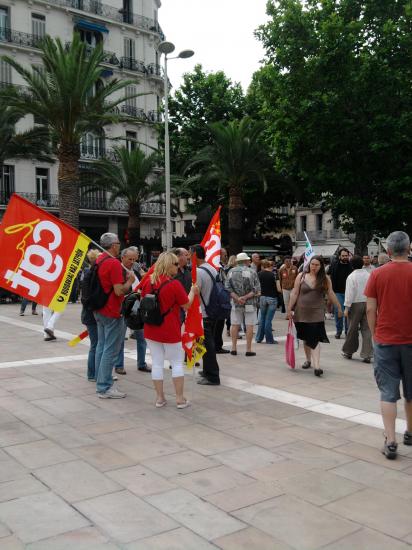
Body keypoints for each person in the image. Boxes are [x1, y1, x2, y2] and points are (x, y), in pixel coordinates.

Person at [365, 231, 412, 459]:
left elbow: (370, 309)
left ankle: (391, 441)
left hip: (386, 340)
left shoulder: (377, 274)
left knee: (388, 393)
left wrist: (375, 335)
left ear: (388, 251)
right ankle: (410, 432)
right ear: (409, 248)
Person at [140, 251, 198, 407]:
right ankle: (179, 399)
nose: (178, 267)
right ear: (168, 265)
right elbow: (186, 305)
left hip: (151, 329)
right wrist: (192, 292)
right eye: (176, 264)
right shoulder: (174, 284)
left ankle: (160, 398)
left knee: (157, 363)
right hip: (169, 329)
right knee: (177, 362)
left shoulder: (148, 283)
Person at [95, 233, 135, 399]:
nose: (120, 245)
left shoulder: (100, 259)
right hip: (112, 310)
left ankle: (100, 379)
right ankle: (104, 387)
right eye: (118, 243)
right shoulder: (112, 263)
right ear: (113, 245)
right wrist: (130, 282)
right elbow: (119, 290)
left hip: (99, 309)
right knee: (110, 349)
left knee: (102, 346)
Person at [288, 255, 342, 377]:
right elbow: (294, 293)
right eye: (312, 264)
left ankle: (317, 366)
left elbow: (331, 293)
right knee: (306, 337)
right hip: (301, 311)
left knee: (314, 337)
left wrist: (339, 307)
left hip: (317, 312)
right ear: (309, 264)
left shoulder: (325, 279)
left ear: (321, 266)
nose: (314, 267)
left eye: (317, 265)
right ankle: (308, 360)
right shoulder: (301, 276)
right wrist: (289, 309)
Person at [190, 244, 222, 385]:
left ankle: (213, 376)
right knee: (206, 344)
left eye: (190, 254)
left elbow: (195, 293)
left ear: (194, 255)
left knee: (207, 346)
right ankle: (207, 370)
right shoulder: (212, 269)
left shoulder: (198, 272)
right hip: (213, 310)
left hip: (203, 313)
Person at [226, 252, 261, 357]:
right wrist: (245, 297)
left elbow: (228, 288)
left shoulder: (231, 272)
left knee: (234, 324)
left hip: (236, 303)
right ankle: (248, 349)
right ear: (246, 261)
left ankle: (233, 348)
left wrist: (237, 298)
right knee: (249, 325)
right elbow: (256, 289)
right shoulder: (252, 272)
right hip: (250, 302)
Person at [341, 255, 373, 363]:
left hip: (355, 304)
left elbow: (350, 293)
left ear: (351, 265)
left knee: (352, 329)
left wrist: (346, 307)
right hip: (368, 302)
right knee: (367, 329)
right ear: (362, 264)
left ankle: (348, 351)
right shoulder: (369, 275)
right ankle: (367, 354)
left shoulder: (351, 277)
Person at [113, 247, 139, 376]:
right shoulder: (118, 270)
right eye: (130, 259)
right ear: (122, 258)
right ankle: (119, 365)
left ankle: (142, 363)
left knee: (141, 338)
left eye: (134, 259)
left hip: (137, 309)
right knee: (120, 338)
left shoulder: (137, 270)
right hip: (123, 308)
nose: (132, 261)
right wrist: (130, 282)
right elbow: (119, 291)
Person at [81, 249, 101, 381]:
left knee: (96, 344)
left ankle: (95, 372)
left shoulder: (88, 273)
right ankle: (92, 373)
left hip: (89, 314)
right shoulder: (90, 274)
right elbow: (87, 297)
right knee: (96, 344)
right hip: (91, 314)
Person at [329, 248, 352, 339]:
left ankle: (347, 331)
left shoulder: (351, 266)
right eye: (343, 256)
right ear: (339, 256)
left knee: (348, 313)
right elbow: (329, 276)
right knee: (339, 311)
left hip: (349, 293)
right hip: (337, 292)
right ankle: (338, 331)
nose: (345, 257)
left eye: (346, 255)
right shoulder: (334, 265)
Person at [256, 260, 280, 344]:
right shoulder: (273, 275)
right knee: (268, 320)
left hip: (262, 297)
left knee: (262, 318)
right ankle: (269, 339)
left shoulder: (259, 274)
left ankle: (259, 338)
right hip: (272, 298)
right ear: (270, 266)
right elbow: (279, 288)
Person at [214, 247, 230, 354]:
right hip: (218, 301)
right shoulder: (218, 268)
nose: (226, 257)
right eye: (225, 255)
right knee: (218, 325)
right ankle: (217, 346)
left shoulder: (221, 267)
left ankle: (217, 345)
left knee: (219, 324)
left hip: (219, 300)